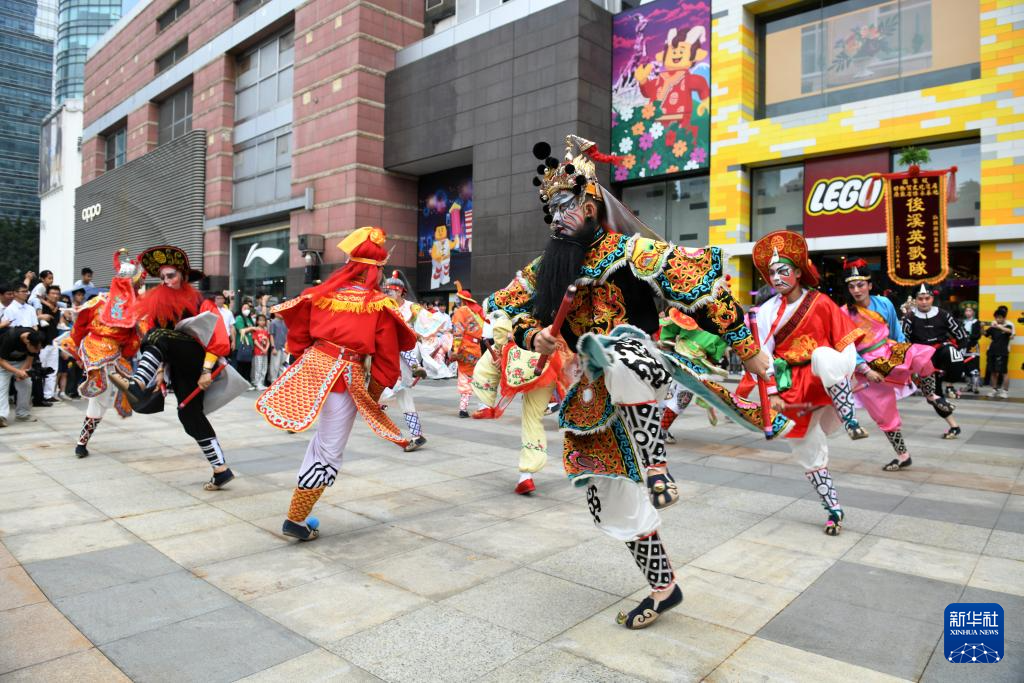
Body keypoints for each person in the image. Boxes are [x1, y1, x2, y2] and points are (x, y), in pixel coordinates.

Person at [488, 135, 784, 630]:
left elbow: (701, 288)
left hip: (639, 362)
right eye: (551, 210)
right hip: (591, 393)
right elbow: (504, 309)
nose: (558, 218)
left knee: (619, 351)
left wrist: (747, 349)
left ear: (590, 205)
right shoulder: (547, 268)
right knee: (608, 496)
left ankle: (657, 465)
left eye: (566, 206)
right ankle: (664, 588)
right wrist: (532, 335)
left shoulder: (632, 251)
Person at [255, 227, 417, 540]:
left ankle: (299, 515)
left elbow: (298, 337)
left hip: (313, 368)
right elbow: (386, 363)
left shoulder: (322, 294)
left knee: (320, 444)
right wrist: (371, 396)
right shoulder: (378, 304)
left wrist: (306, 363)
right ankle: (296, 519)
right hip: (345, 377)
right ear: (375, 270)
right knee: (329, 449)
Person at [740, 231, 866, 536]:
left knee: (823, 354)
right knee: (807, 451)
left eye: (783, 270)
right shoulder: (766, 312)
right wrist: (772, 393)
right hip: (791, 384)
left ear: (798, 272)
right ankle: (833, 508)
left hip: (824, 376)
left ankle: (850, 419)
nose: (777, 277)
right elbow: (762, 355)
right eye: (772, 273)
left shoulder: (821, 302)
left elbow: (845, 343)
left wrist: (851, 371)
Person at [110, 245, 240, 490]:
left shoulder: (202, 302)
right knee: (188, 415)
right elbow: (158, 346)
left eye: (171, 275)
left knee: (157, 334)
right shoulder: (159, 306)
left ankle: (137, 384)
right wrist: (160, 371)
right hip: (178, 365)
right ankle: (221, 470)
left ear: (182, 275)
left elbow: (219, 339)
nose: (166, 281)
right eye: (162, 277)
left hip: (200, 359)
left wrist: (206, 371)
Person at [841, 259, 940, 471]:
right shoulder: (844, 313)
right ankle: (903, 456)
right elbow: (846, 348)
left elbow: (896, 332)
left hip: (889, 351)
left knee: (922, 355)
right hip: (867, 365)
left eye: (860, 285)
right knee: (884, 414)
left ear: (869, 285)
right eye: (852, 286)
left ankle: (932, 395)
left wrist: (906, 357)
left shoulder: (884, 303)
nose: (856, 290)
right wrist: (866, 370)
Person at [471, 313, 568, 494]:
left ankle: (485, 403)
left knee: (489, 360)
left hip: (525, 358)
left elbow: (502, 324)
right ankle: (527, 473)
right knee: (532, 418)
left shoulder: (517, 302)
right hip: (551, 362)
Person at [64, 251, 144, 457]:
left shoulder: (99, 302)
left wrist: (77, 350)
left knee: (103, 397)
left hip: (99, 353)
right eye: (138, 283)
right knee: (101, 399)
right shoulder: (132, 310)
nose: (140, 286)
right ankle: (81, 443)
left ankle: (82, 443)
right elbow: (133, 342)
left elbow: (79, 328)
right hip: (102, 354)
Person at [901, 285, 967, 439]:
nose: (924, 302)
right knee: (933, 396)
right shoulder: (909, 318)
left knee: (952, 352)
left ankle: (951, 385)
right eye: (920, 299)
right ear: (916, 300)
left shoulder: (944, 314)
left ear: (932, 298)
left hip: (943, 351)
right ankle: (954, 426)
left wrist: (961, 351)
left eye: (927, 298)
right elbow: (904, 341)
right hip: (924, 359)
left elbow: (961, 335)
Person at [657, 308, 724, 442]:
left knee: (671, 393)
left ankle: (659, 428)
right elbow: (715, 355)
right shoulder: (722, 318)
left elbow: (667, 333)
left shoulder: (691, 308)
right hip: (694, 363)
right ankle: (661, 431)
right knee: (681, 398)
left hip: (677, 357)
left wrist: (667, 347)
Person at [383, 271, 428, 451]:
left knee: (400, 390)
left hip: (407, 351)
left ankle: (415, 366)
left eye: (392, 290)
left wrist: (418, 334)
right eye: (386, 291)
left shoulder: (412, 308)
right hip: (388, 354)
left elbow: (429, 325)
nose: (388, 293)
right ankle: (417, 435)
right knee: (404, 396)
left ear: (401, 291)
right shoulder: (383, 307)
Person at [450, 282, 485, 417]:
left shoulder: (460, 311)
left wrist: (455, 350)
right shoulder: (476, 313)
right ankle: (483, 405)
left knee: (464, 377)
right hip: (476, 349)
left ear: (462, 300)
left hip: (464, 348)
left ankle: (463, 408)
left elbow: (458, 332)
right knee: (478, 376)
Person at [0, 328, 43, 427]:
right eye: (35, 349)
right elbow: (1, 361)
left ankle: (23, 414)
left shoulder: (35, 338)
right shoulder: (9, 338)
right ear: (27, 342)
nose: (37, 351)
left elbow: (30, 357)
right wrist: (17, 371)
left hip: (21, 362)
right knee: (1, 387)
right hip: (4, 362)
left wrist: (22, 372)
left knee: (26, 385)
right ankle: (1, 416)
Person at [35, 285, 63, 404]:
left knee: (53, 370)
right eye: (53, 293)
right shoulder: (40, 306)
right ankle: (38, 396)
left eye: (57, 294)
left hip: (54, 342)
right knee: (40, 370)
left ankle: (49, 395)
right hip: (42, 344)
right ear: (47, 295)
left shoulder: (58, 308)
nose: (55, 296)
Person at [984, 306, 1014, 399]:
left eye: (1000, 317)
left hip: (1002, 353)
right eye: (996, 317)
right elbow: (985, 333)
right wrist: (981, 327)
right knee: (993, 372)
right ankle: (994, 390)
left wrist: (998, 326)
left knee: (1004, 372)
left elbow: (1009, 331)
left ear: (1004, 318)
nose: (998, 319)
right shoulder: (992, 327)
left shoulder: (1008, 326)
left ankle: (1005, 391)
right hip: (992, 352)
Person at [960, 305, 982, 394]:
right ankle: (969, 385)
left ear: (973, 312)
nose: (968, 312)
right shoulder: (962, 322)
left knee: (974, 365)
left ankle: (975, 386)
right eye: (966, 311)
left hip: (972, 347)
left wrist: (968, 335)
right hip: (963, 346)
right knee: (965, 366)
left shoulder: (977, 322)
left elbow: (978, 335)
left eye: (970, 310)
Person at [234, 302, 256, 384]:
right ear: (241, 309)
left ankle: (247, 382)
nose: (247, 310)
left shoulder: (249, 319)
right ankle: (241, 383)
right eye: (245, 308)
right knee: (241, 365)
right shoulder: (239, 318)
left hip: (250, 345)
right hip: (242, 345)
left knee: (248, 365)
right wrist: (252, 328)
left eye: (248, 308)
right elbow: (241, 330)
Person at [251, 314, 272, 390]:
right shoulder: (256, 330)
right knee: (258, 368)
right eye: (260, 320)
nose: (262, 322)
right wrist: (262, 349)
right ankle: (257, 383)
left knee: (264, 368)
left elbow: (268, 341)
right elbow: (255, 341)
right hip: (258, 352)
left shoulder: (266, 331)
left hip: (265, 353)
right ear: (257, 321)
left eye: (263, 320)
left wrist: (266, 349)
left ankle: (261, 383)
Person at [268, 311, 288, 381]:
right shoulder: (273, 322)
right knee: (275, 366)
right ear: (275, 313)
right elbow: (271, 335)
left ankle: (281, 381)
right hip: (276, 347)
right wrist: (273, 347)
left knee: (282, 365)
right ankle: (273, 381)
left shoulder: (285, 322)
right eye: (280, 312)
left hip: (284, 348)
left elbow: (287, 335)